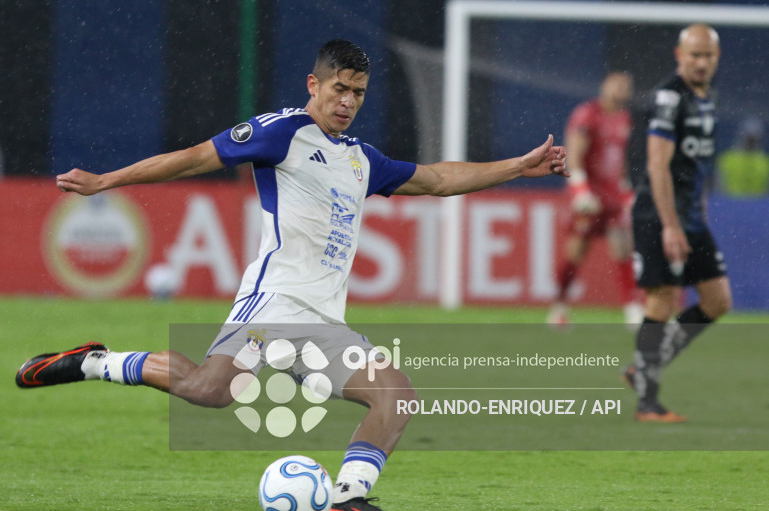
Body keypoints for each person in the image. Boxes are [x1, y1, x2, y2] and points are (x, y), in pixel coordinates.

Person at [16, 40, 569, 511]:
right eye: (339, 90)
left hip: (325, 322)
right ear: (314, 84)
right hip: (275, 302)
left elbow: (436, 179)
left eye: (358, 93)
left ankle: (350, 497)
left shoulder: (361, 159)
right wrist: (106, 181)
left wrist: (517, 167)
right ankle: (95, 361)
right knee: (212, 391)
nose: (348, 102)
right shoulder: (283, 132)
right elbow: (192, 157)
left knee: (396, 395)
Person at [624, 24, 732, 423]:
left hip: (689, 216)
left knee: (718, 301)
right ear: (679, 54)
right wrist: (670, 225)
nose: (702, 62)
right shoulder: (670, 98)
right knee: (662, 299)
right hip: (659, 214)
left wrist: (694, 216)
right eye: (695, 55)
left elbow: (695, 165)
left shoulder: (708, 97)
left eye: (708, 56)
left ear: (717, 58)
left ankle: (642, 367)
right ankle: (647, 403)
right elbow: (658, 164)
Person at [548, 71, 644, 328]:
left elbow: (618, 159)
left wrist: (626, 191)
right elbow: (574, 152)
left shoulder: (624, 118)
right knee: (576, 253)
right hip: (590, 196)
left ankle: (633, 309)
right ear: (605, 86)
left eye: (627, 87)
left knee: (623, 249)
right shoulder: (588, 114)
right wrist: (580, 190)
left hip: (612, 197)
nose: (622, 90)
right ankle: (559, 306)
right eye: (618, 85)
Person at [716, 115, 769, 197]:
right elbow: (719, 188)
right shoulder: (726, 159)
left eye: (753, 139)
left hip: (758, 206)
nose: (750, 142)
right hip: (730, 205)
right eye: (749, 139)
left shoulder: (765, 162)